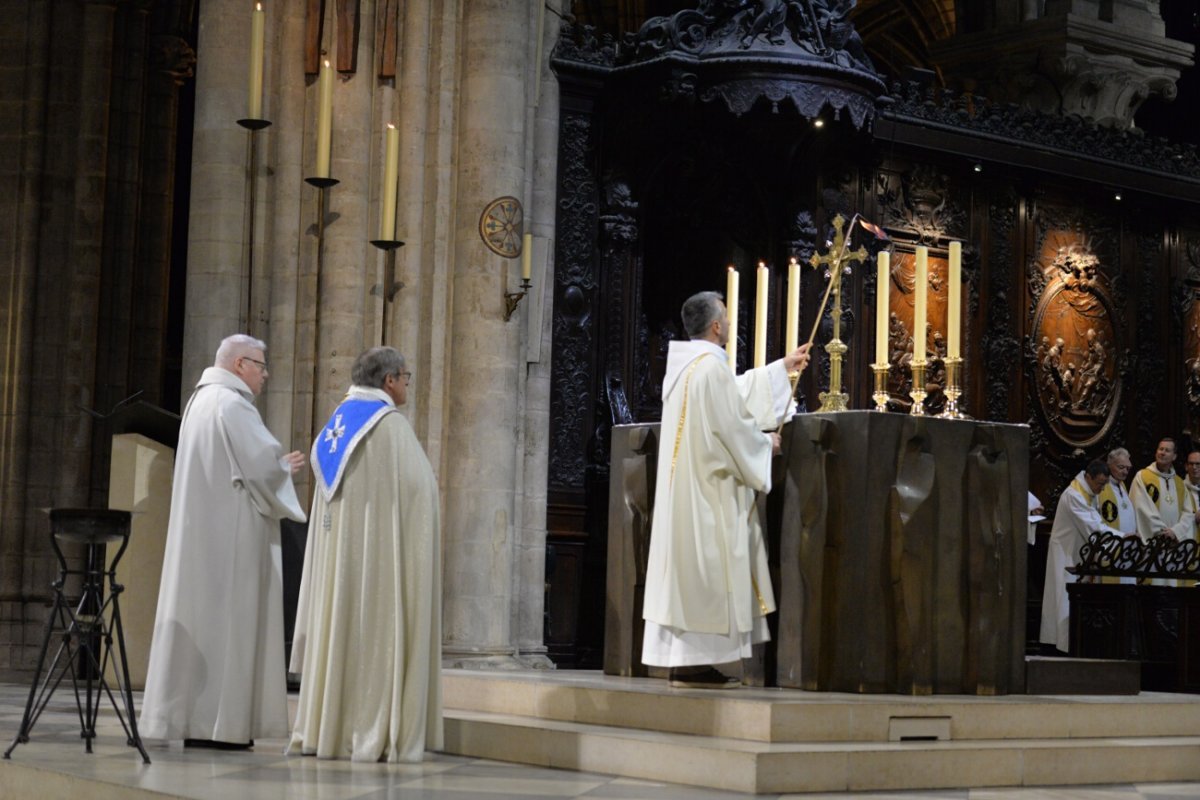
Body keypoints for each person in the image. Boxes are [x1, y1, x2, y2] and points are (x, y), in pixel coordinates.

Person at [139, 334, 307, 748]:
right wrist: (283, 468)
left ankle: (193, 722)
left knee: (206, 623)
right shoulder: (232, 405)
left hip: (204, 535)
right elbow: (262, 469)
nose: (265, 375)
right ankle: (223, 727)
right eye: (261, 366)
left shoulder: (200, 402)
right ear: (239, 365)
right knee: (229, 624)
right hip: (231, 537)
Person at [641, 291, 810, 688]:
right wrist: (763, 444)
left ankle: (688, 661)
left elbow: (732, 398)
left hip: (688, 490)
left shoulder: (686, 369)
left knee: (692, 574)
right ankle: (695, 662)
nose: (730, 324)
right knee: (709, 569)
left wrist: (779, 369)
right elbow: (730, 425)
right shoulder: (709, 370)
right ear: (717, 326)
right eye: (728, 319)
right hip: (707, 494)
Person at [288, 347, 442, 762]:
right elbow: (419, 494)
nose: (408, 384)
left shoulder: (334, 425)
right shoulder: (389, 427)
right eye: (406, 377)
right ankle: (373, 729)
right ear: (389, 380)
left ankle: (329, 728)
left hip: (342, 569)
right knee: (376, 633)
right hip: (379, 569)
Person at [1039, 460, 1119, 654]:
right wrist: (1122, 537)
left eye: (1104, 484)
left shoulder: (1089, 492)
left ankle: (1076, 643)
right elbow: (1093, 527)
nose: (1102, 489)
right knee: (1064, 600)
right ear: (1088, 477)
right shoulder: (1074, 495)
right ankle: (1064, 647)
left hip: (1078, 554)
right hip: (1066, 555)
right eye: (1099, 483)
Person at [1130, 437, 1198, 543]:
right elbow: (1141, 508)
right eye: (1160, 449)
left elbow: (1188, 513)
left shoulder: (1179, 482)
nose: (1162, 453)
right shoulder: (1142, 476)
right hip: (1153, 542)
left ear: (1174, 456)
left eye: (1167, 450)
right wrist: (1163, 532)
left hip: (1174, 543)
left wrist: (1175, 532)